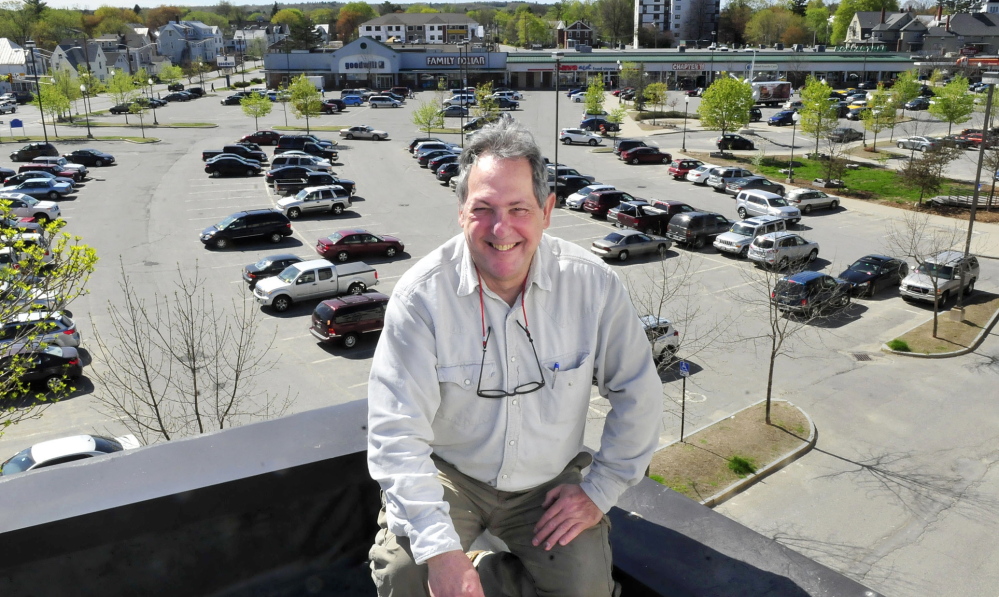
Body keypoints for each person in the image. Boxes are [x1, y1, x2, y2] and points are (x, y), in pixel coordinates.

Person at [367, 120, 663, 597]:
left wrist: (598, 491)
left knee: (584, 588)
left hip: (546, 484)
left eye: (519, 209)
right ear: (462, 211)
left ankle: (483, 572)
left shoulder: (592, 285)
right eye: (482, 209)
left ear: (547, 210)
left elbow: (639, 393)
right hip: (452, 476)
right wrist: (440, 551)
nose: (501, 230)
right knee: (407, 578)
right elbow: (395, 432)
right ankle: (459, 558)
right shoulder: (421, 297)